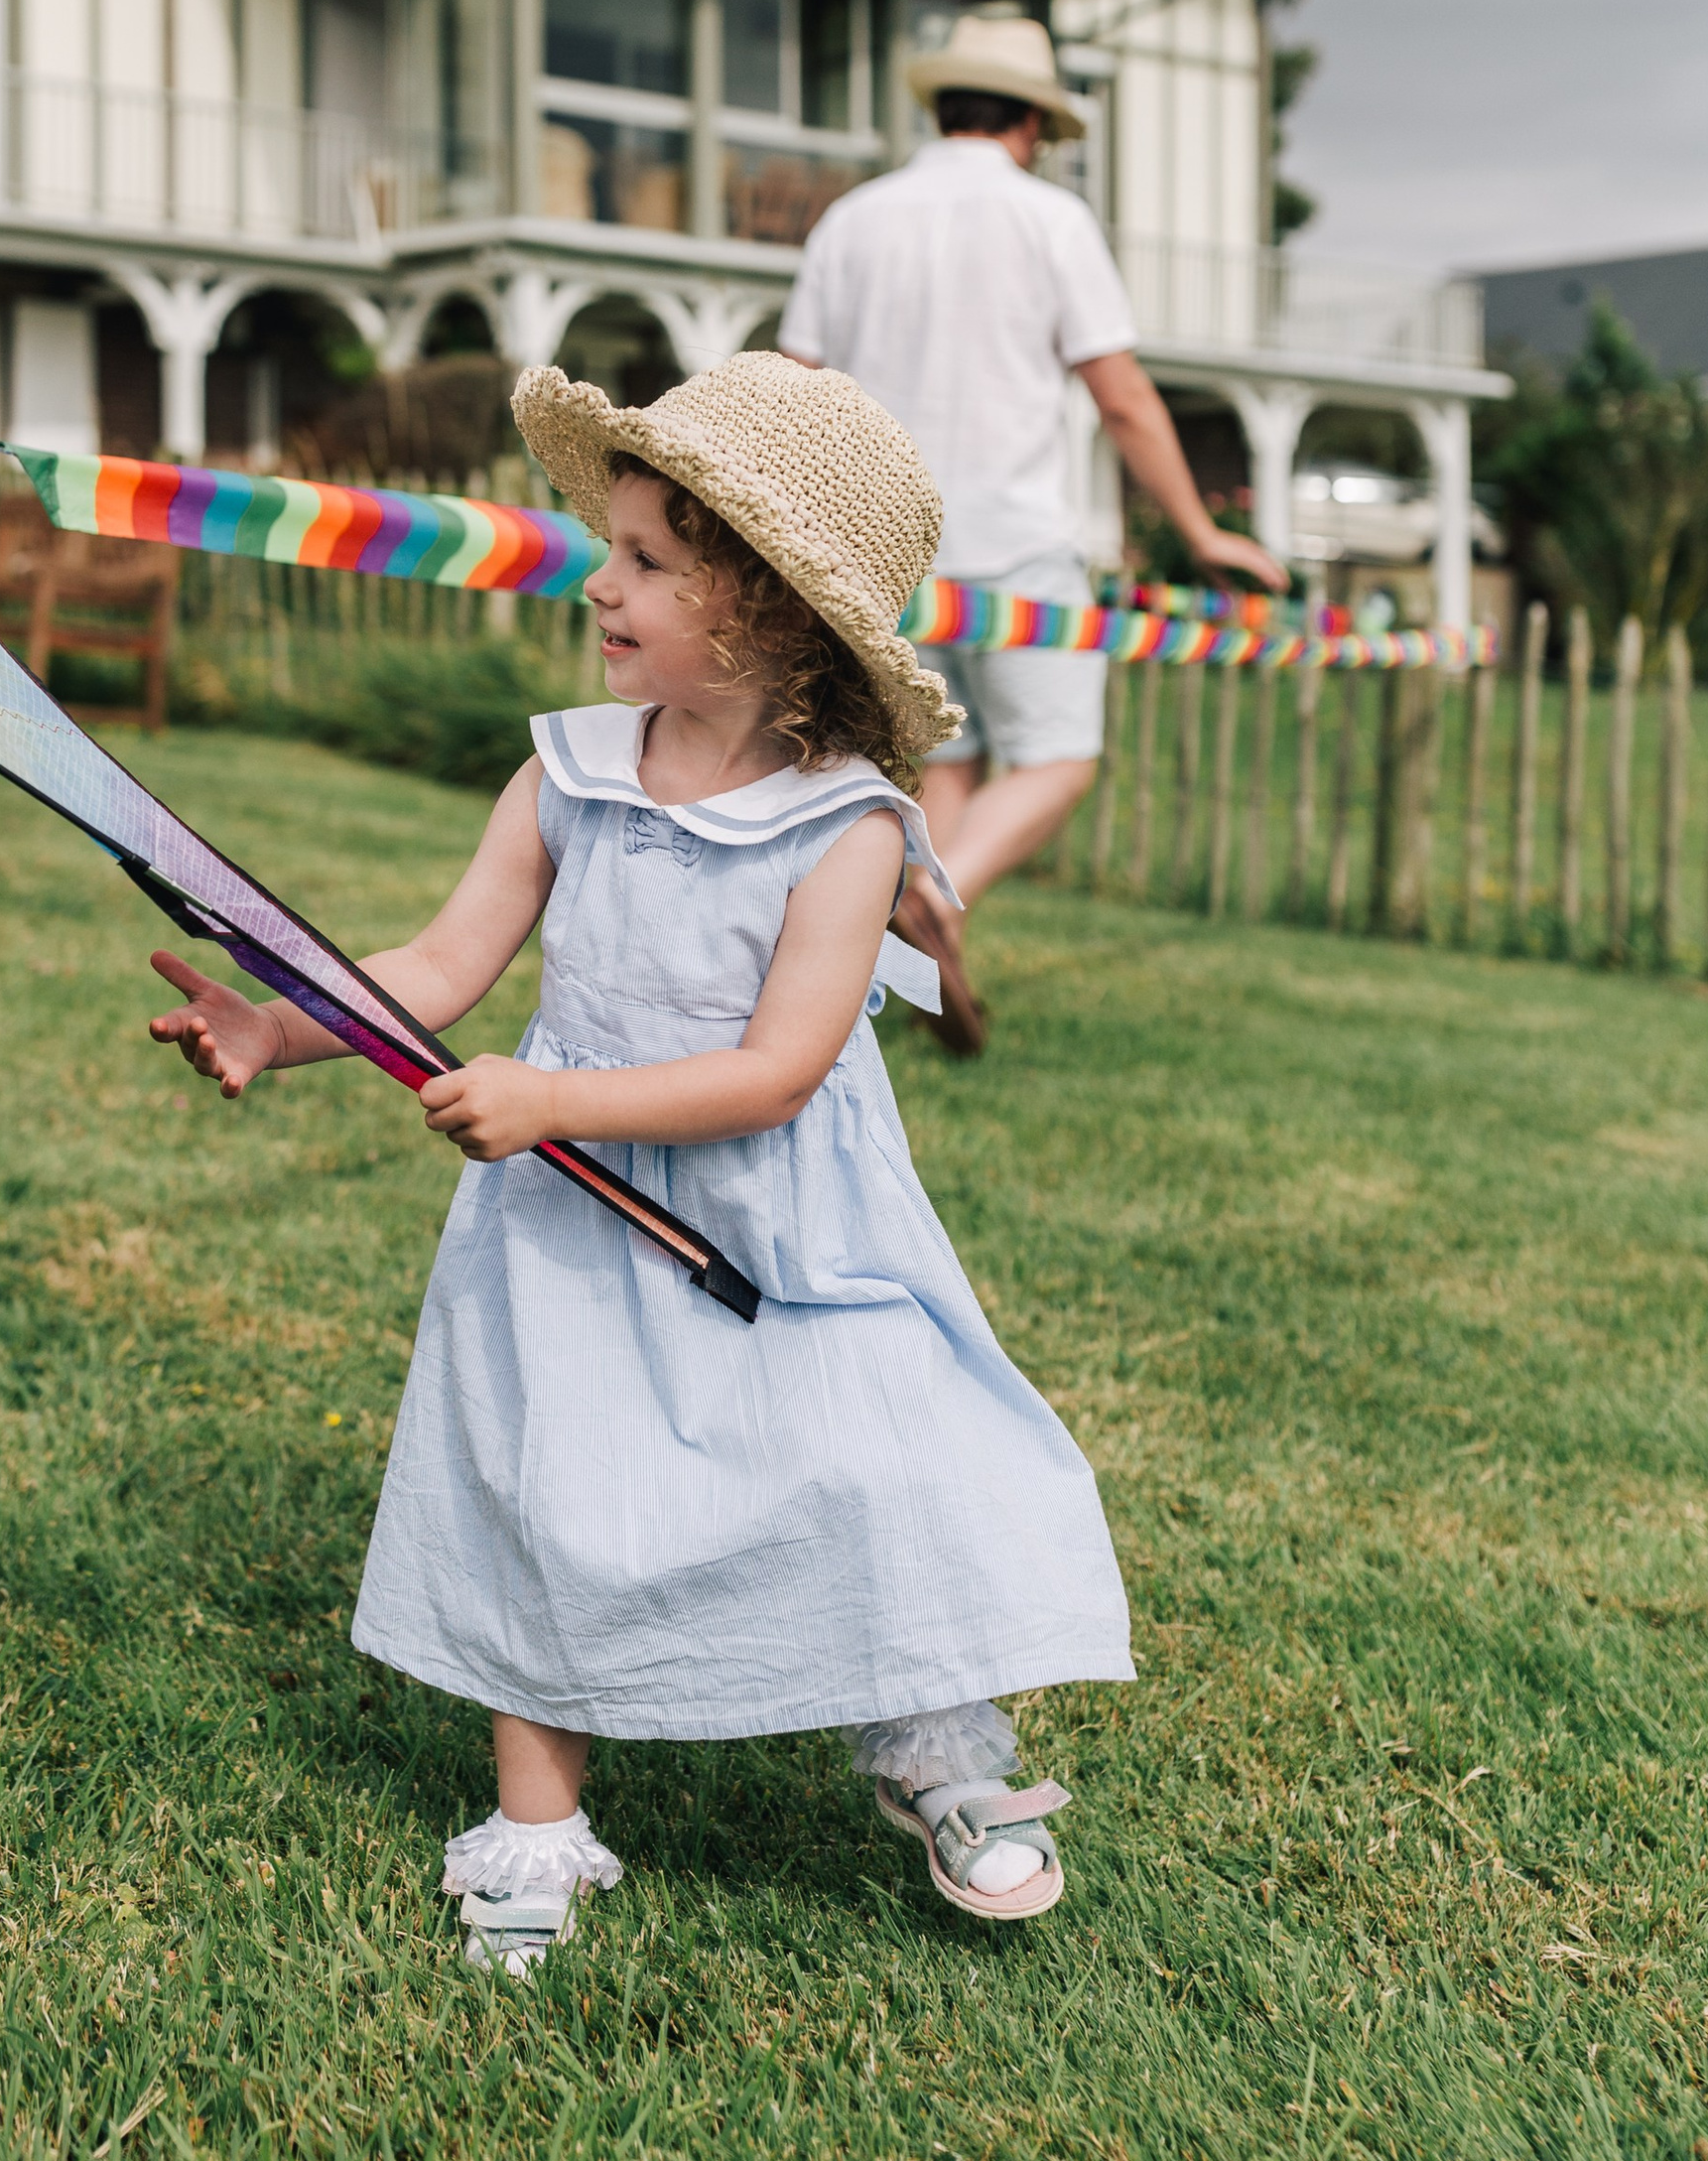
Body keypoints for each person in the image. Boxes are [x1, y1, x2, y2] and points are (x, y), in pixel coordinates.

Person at [149, 354, 1131, 1971]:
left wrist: (552, 1103)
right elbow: (443, 963)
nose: (598, 584)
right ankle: (537, 1825)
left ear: (766, 609)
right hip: (568, 1229)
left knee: (869, 1464)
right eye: (610, 548)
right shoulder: (568, 772)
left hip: (781, 1226)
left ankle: (943, 1756)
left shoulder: (851, 826)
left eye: (650, 562)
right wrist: (281, 1028)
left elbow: (778, 1070)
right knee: (553, 1488)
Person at [778, 4, 1288, 1054]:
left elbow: (796, 391)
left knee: (948, 766)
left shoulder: (854, 218)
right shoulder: (1050, 222)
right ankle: (931, 892)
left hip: (884, 551)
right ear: (1032, 126)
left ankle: (922, 940)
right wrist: (1201, 532)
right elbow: (1124, 398)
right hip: (1012, 550)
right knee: (1058, 758)